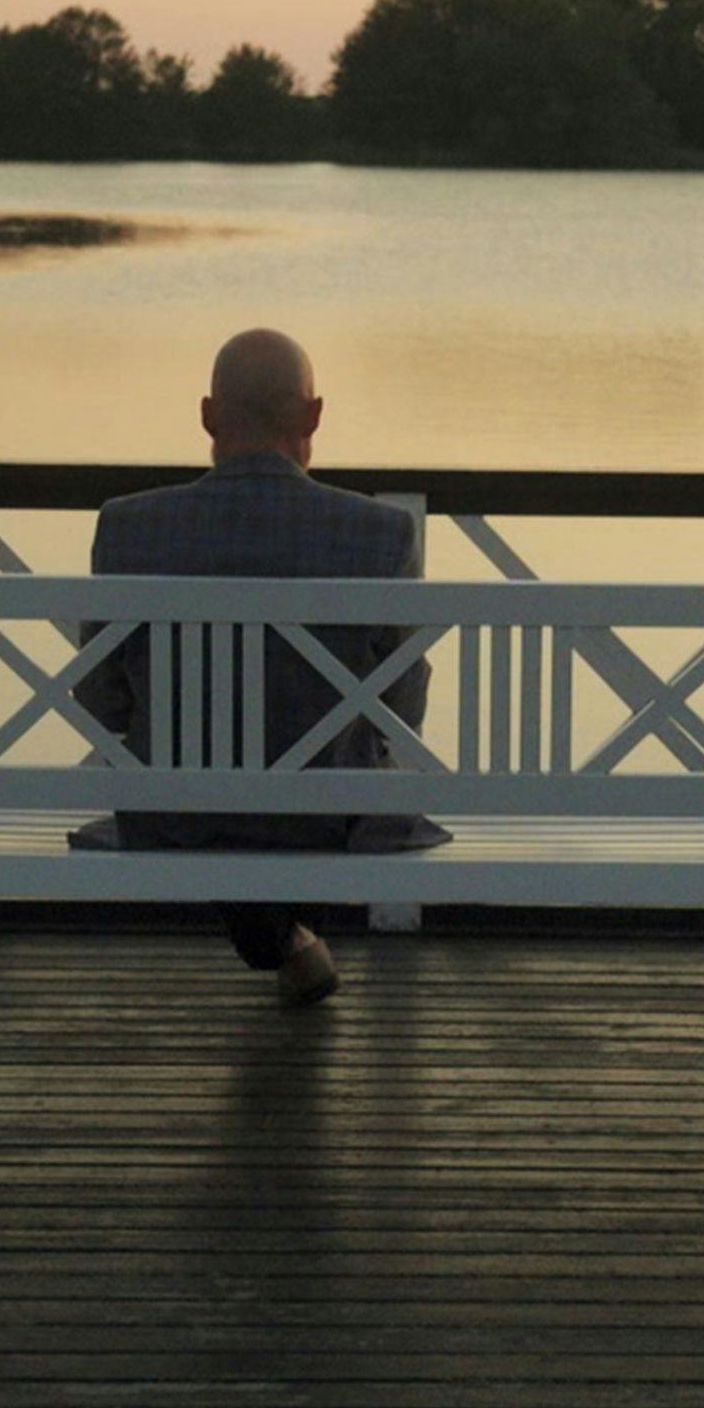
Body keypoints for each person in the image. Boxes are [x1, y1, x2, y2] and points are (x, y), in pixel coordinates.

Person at [72, 330, 441, 1008]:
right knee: (297, 795)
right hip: (329, 819)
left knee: (214, 803)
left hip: (173, 817)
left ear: (209, 416)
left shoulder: (127, 527)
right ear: (313, 416)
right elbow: (401, 707)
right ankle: (291, 935)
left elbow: (99, 702)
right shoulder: (378, 533)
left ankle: (285, 939)